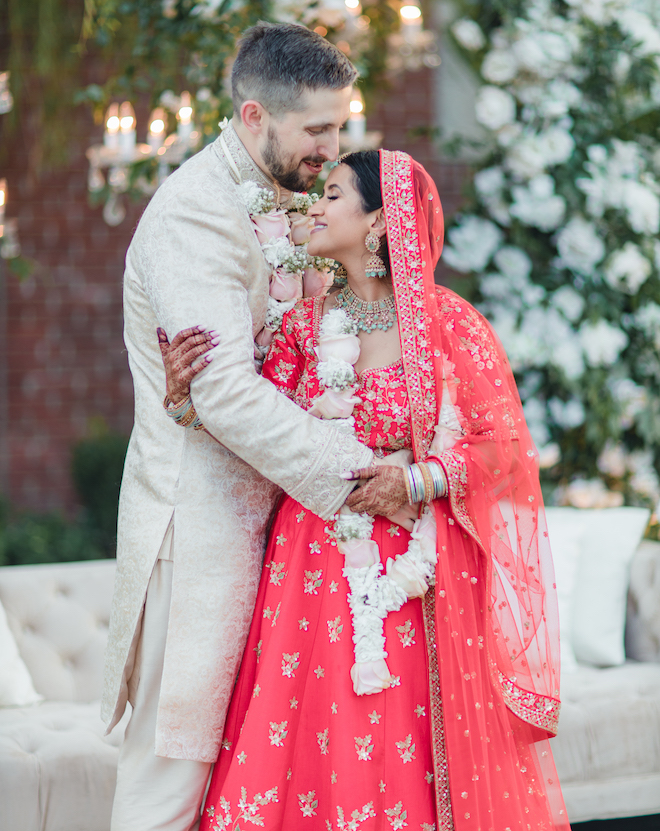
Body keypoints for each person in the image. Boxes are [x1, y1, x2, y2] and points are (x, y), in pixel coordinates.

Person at [161, 150, 570, 830]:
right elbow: (254, 433)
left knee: (394, 740)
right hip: (307, 572)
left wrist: (415, 476)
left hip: (413, 583)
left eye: (332, 194)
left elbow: (504, 451)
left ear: (380, 220)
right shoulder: (299, 329)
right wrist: (187, 401)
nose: (314, 207)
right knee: (312, 737)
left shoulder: (448, 326)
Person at [102, 24, 403, 831]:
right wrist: (359, 473)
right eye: (317, 130)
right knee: (172, 780)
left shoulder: (296, 201)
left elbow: (304, 349)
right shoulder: (194, 217)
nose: (332, 148)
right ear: (253, 116)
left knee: (245, 782)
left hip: (280, 539)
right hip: (197, 534)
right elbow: (226, 391)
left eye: (339, 126)